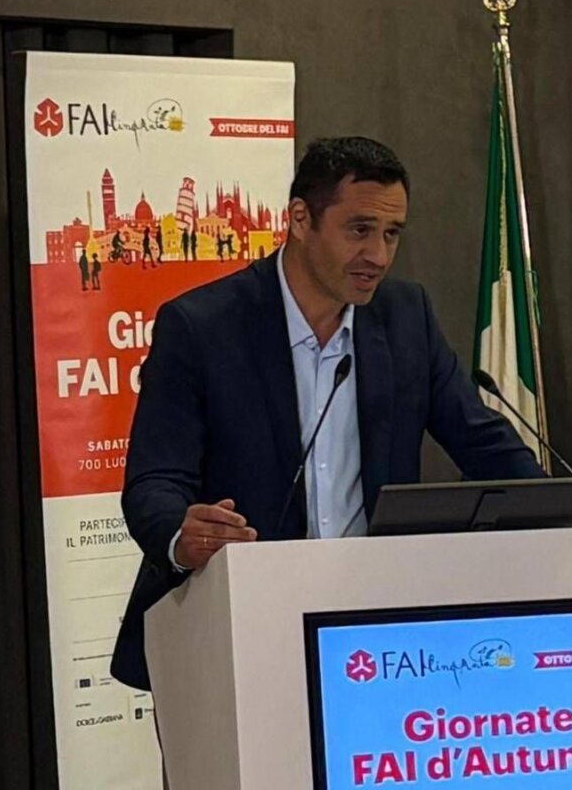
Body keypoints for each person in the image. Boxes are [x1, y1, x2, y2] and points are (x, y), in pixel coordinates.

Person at [111, 136, 544, 692]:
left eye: (391, 234)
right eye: (359, 230)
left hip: (371, 630)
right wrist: (181, 534)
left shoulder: (406, 316)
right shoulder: (202, 327)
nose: (378, 256)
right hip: (236, 625)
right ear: (299, 219)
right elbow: (154, 481)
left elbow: (483, 443)